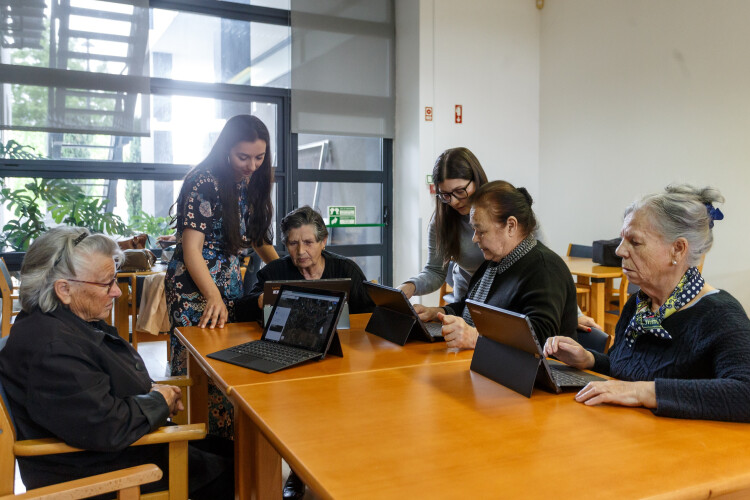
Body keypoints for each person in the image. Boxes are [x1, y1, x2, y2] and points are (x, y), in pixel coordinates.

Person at [0, 227, 233, 498]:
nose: (117, 293)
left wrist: (157, 391)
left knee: (231, 449)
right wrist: (160, 400)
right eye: (106, 283)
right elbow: (106, 424)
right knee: (237, 469)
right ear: (63, 289)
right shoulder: (52, 349)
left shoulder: (65, 324)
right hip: (108, 474)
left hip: (119, 451)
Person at [543, 185, 750, 422]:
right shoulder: (639, 304)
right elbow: (624, 370)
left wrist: (643, 391)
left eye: (635, 242)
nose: (620, 251)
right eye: (622, 239)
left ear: (678, 249)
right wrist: (588, 360)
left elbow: (745, 393)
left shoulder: (721, 314)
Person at [398, 147, 600, 332]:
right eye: (445, 195)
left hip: (504, 305)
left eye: (460, 191)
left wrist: (568, 314)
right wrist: (433, 306)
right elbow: (439, 275)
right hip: (476, 300)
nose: (454, 201)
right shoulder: (486, 263)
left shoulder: (509, 213)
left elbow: (548, 271)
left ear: (511, 226)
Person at [165, 114, 279, 438]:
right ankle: (196, 442)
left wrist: (286, 271)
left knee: (228, 361)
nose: (252, 165)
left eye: (259, 157)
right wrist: (213, 295)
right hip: (193, 285)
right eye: (243, 156)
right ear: (226, 148)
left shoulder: (251, 181)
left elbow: (258, 239)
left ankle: (226, 442)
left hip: (226, 281)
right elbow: (192, 250)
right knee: (199, 363)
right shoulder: (204, 180)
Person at [414, 180, 578, 349]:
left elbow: (541, 339)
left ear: (511, 226)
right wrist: (438, 313)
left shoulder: (545, 269)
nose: (475, 238)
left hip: (536, 372)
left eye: (481, 231)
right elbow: (469, 307)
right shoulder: (495, 261)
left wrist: (476, 338)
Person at [236, 205, 374, 322]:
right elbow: (241, 311)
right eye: (293, 243)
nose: (301, 251)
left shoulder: (346, 271)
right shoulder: (274, 271)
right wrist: (259, 300)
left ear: (323, 241)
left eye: (308, 243)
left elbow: (369, 314)